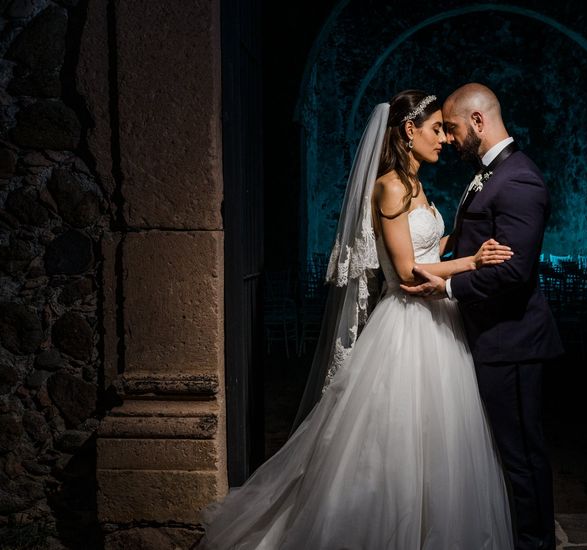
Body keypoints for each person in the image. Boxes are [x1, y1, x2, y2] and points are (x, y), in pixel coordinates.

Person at [196, 90, 514, 549]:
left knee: (441, 443)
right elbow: (406, 272)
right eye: (436, 129)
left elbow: (425, 248)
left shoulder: (416, 184)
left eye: (446, 129)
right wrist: (473, 263)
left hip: (440, 322)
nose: (444, 139)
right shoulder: (389, 184)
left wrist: (460, 241)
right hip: (407, 324)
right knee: (393, 440)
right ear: (410, 130)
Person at [401, 83, 564, 550]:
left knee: (522, 456)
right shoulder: (491, 174)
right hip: (489, 336)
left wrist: (447, 286)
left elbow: (513, 271)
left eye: (452, 128)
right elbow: (472, 244)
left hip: (512, 340)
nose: (449, 139)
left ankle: (535, 545)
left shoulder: (519, 179)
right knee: (503, 453)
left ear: (477, 122)